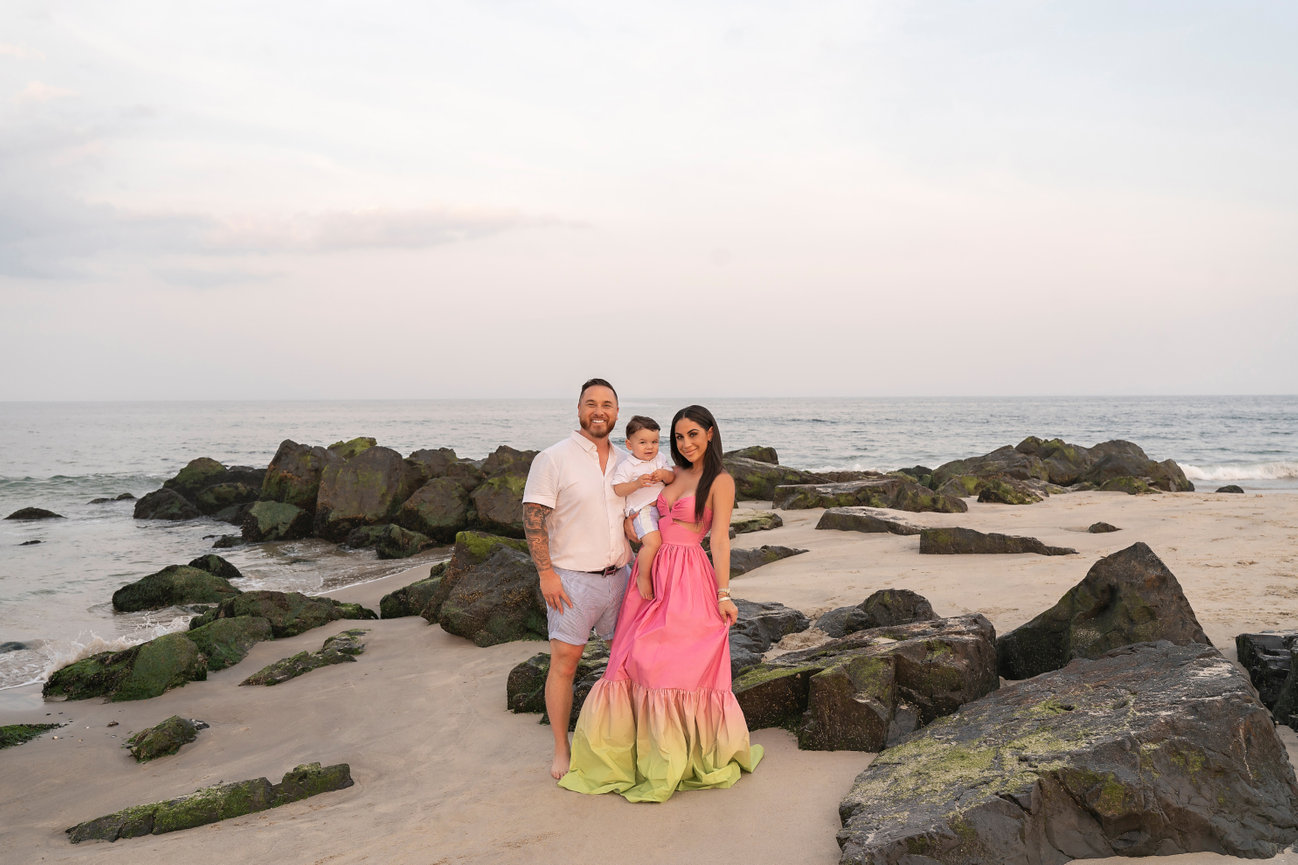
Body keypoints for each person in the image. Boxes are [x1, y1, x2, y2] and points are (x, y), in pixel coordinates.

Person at [558, 404, 763, 802]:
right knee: (627, 659)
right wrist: (628, 528)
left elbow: (719, 539)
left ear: (709, 433)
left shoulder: (720, 480)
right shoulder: (673, 471)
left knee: (666, 663)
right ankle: (632, 754)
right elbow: (638, 508)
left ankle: (675, 756)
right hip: (647, 575)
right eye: (680, 436)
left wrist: (724, 594)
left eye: (693, 435)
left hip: (688, 575)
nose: (686, 443)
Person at [522, 378, 632, 780]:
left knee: (628, 661)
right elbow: (533, 518)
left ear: (617, 413)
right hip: (571, 582)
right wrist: (546, 574)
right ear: (579, 410)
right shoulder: (553, 459)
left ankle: (622, 738)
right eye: (591, 403)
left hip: (621, 578)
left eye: (607, 404)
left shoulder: (627, 460)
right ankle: (561, 748)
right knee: (565, 665)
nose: (599, 410)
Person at [610, 415, 675, 601]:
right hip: (642, 510)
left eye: (654, 442)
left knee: (666, 543)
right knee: (653, 542)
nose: (650, 447)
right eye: (643, 442)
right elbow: (618, 489)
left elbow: (672, 478)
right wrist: (637, 484)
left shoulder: (660, 458)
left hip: (662, 509)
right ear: (629, 445)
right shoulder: (628, 465)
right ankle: (643, 576)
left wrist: (664, 474)